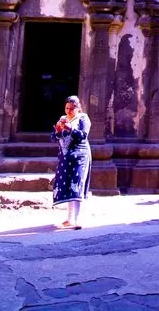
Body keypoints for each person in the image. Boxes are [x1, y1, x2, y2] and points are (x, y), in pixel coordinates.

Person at [51, 95, 92, 229]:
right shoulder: (63, 119)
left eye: (72, 109)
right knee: (68, 185)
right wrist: (57, 131)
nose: (69, 111)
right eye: (67, 108)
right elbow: (53, 137)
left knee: (77, 184)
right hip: (65, 157)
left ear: (78, 108)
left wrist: (70, 129)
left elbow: (83, 135)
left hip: (80, 156)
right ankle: (69, 218)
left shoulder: (83, 118)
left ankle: (78, 219)